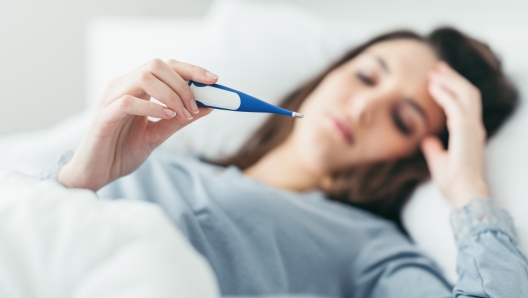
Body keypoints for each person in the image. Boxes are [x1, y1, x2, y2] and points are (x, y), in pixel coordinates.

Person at [43, 28, 528, 297]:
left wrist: (471, 192)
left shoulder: (369, 248)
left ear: (415, 156)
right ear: (328, 73)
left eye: (402, 119)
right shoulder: (148, 161)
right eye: (365, 76)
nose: (363, 108)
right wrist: (80, 181)